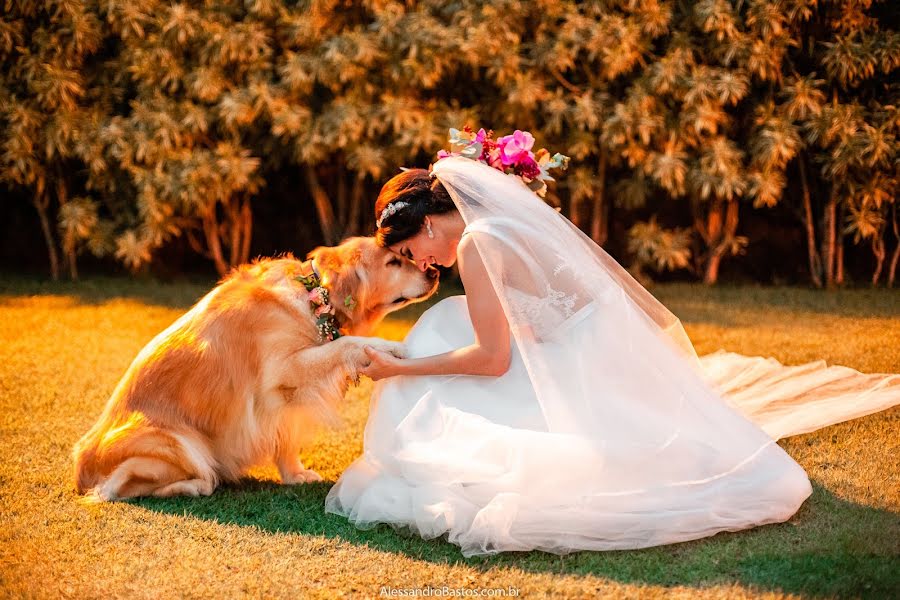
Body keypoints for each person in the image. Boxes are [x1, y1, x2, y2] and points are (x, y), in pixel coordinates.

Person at [324, 154, 900, 557]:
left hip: (583, 368)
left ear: (426, 223)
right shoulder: (496, 227)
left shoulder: (477, 244)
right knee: (444, 321)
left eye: (410, 251)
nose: (423, 265)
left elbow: (493, 359)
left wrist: (401, 368)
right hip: (595, 348)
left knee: (433, 333)